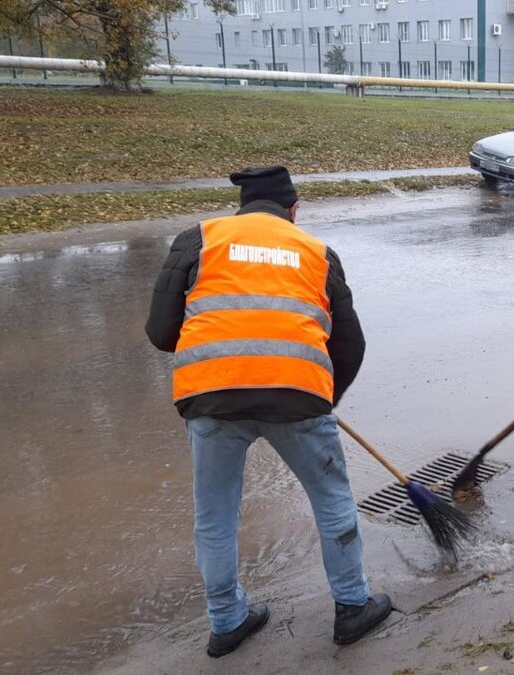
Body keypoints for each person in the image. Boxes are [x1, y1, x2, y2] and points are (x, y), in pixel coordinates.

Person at [145, 166, 391, 658]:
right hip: (296, 398)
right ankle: (351, 607)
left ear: (241, 207)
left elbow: (160, 331)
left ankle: (227, 622)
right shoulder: (316, 252)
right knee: (332, 498)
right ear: (293, 210)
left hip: (210, 396)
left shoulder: (198, 239)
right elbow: (351, 344)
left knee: (215, 514)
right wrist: (323, 398)